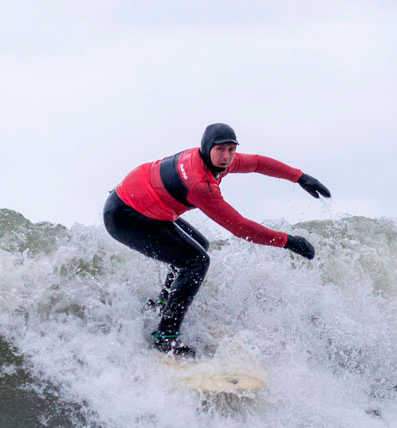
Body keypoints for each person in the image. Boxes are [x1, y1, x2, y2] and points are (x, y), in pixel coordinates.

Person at [103, 123, 330, 357]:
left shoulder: (213, 161)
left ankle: (163, 304)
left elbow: (258, 163)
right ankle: (166, 336)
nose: (227, 156)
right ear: (207, 147)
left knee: (198, 247)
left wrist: (300, 177)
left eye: (231, 149)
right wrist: (288, 241)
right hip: (125, 216)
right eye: (221, 149)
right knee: (197, 261)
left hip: (145, 206)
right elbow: (240, 228)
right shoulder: (199, 183)